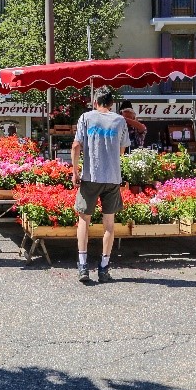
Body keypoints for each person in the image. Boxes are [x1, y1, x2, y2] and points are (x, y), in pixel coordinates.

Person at [71, 86, 130, 284]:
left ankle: (82, 266)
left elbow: (76, 145)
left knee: (84, 221)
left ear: (95, 102)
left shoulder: (86, 118)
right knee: (109, 225)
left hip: (90, 176)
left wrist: (75, 171)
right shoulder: (120, 120)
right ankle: (104, 268)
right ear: (112, 103)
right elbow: (122, 151)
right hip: (112, 178)